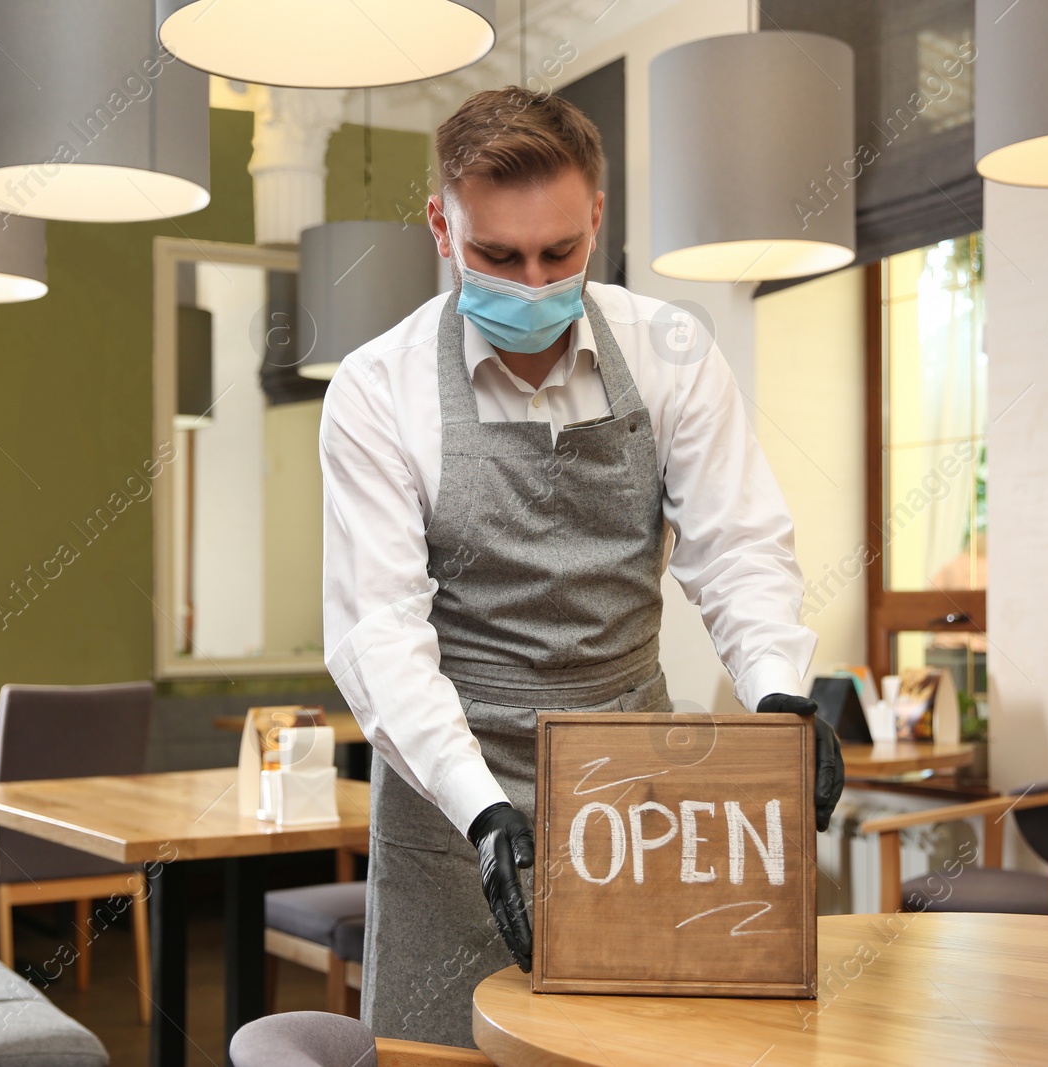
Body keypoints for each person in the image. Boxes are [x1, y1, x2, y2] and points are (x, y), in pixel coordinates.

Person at [319, 86, 844, 1049]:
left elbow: (737, 545)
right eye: (496, 255)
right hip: (451, 797)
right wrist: (482, 812)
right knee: (441, 1052)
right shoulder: (376, 390)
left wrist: (780, 697)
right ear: (442, 223)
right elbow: (380, 632)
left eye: (559, 253)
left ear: (597, 214)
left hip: (640, 791)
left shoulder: (673, 351)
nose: (531, 283)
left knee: (634, 1048)